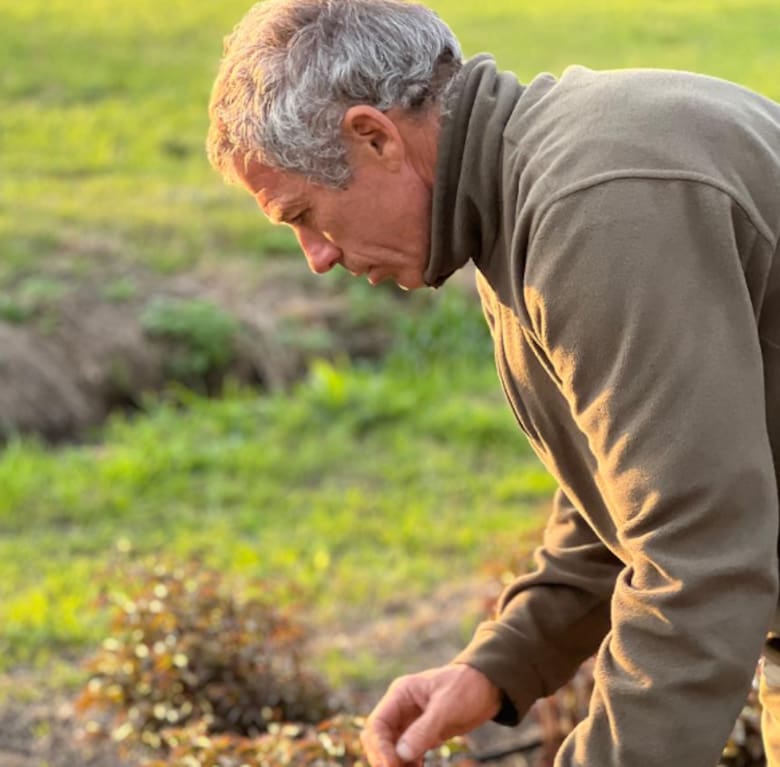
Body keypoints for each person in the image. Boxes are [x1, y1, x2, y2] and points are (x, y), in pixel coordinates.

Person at [206, 1, 780, 765]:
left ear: (373, 136)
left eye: (305, 214)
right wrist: (498, 665)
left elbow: (700, 555)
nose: (315, 255)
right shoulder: (522, 197)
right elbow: (636, 481)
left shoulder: (595, 210)